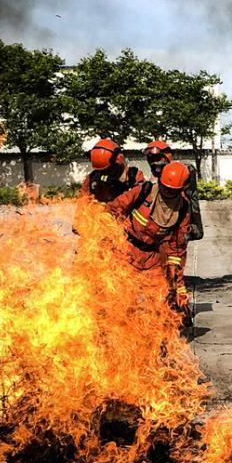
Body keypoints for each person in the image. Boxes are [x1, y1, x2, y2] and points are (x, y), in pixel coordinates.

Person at [107, 161, 194, 326]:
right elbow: (113, 209)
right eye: (165, 188)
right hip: (126, 253)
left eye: (172, 191)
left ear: (181, 190)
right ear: (160, 182)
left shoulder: (182, 209)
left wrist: (178, 286)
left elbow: (177, 249)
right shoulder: (143, 192)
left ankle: (155, 344)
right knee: (123, 303)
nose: (167, 193)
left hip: (153, 258)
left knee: (158, 303)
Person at [144, 139, 203, 241]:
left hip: (177, 226)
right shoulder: (153, 182)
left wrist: (195, 227)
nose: (155, 165)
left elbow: (193, 202)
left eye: (158, 160)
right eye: (152, 161)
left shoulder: (181, 173)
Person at [80, 138, 144, 203]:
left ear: (119, 160)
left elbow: (138, 199)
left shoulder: (133, 177)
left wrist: (109, 208)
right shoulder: (92, 178)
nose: (104, 174)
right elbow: (82, 199)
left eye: (108, 169)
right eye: (101, 171)